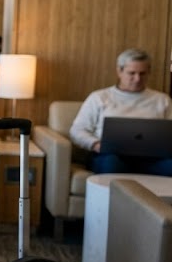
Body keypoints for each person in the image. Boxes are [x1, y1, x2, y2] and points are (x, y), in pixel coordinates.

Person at [69, 48, 172, 176]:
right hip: (109, 156)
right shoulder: (100, 97)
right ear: (119, 71)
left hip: (152, 159)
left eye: (142, 73)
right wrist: (96, 145)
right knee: (111, 164)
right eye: (132, 73)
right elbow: (77, 131)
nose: (137, 79)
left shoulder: (162, 100)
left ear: (149, 72)